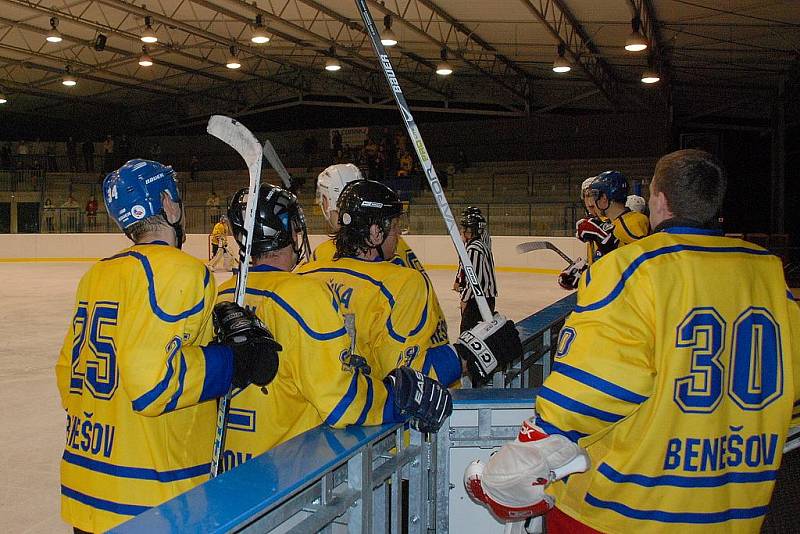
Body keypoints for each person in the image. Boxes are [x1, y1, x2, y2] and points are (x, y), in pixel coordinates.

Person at [464, 149, 800, 533]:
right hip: (734, 513)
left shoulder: (632, 269)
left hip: (624, 512)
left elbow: (591, 390)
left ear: (658, 200)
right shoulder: (769, 274)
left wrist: (519, 461)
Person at [55, 159, 282, 533]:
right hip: (151, 497)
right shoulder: (180, 270)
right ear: (168, 203)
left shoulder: (98, 273)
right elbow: (151, 385)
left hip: (86, 485)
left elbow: (68, 373)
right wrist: (234, 361)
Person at [216, 184, 453, 470]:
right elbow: (341, 399)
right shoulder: (303, 294)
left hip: (229, 469)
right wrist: (395, 398)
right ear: (289, 232)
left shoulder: (224, 293)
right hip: (288, 472)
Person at [298, 179, 523, 387]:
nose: (398, 234)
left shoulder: (305, 273)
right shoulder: (401, 283)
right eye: (395, 226)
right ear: (376, 232)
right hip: (376, 423)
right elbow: (408, 377)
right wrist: (466, 355)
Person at [313, 165, 454, 378]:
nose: (397, 232)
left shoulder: (321, 258)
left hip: (372, 387)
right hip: (423, 366)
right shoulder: (394, 249)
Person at [454, 207, 497, 334]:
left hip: (478, 301)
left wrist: (465, 300)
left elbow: (474, 280)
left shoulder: (474, 249)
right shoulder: (480, 245)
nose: (462, 231)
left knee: (468, 334)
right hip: (485, 298)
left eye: (465, 229)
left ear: (471, 230)